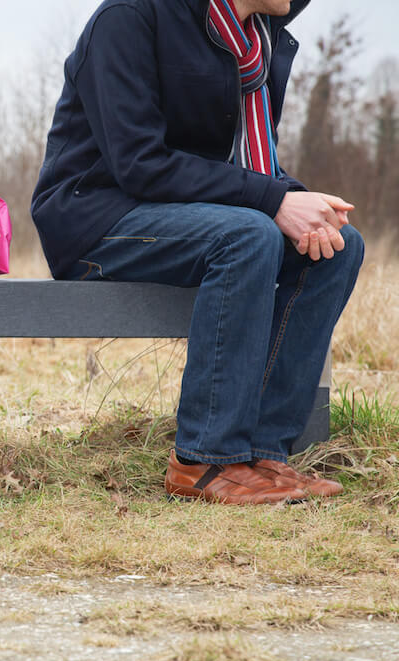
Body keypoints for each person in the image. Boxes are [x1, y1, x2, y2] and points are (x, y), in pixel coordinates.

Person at [31, 0, 363, 504]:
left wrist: (296, 200)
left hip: (192, 217)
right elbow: (141, 163)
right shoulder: (129, 17)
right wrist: (274, 200)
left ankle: (262, 453)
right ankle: (204, 461)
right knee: (248, 235)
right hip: (96, 219)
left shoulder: (258, 41)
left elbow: (241, 162)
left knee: (337, 245)